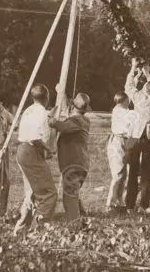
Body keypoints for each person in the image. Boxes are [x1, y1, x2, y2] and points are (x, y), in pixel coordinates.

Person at [124, 58, 150, 214]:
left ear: (143, 89)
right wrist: (149, 75)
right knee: (147, 171)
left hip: (136, 135)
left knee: (133, 170)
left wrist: (134, 68)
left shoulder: (138, 97)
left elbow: (128, 86)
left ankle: (129, 205)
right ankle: (144, 205)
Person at [14, 84, 56, 232]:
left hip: (23, 150)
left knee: (31, 192)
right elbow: (34, 137)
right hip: (31, 152)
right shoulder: (41, 113)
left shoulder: (29, 110)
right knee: (49, 193)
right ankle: (40, 227)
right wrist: (48, 148)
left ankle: (20, 229)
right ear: (47, 97)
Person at [50, 93, 91, 223]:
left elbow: (62, 126)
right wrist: (60, 92)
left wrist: (51, 120)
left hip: (73, 164)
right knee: (73, 192)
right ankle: (82, 217)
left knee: (69, 195)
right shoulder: (82, 120)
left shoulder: (76, 121)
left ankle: (74, 224)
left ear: (73, 108)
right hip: (80, 163)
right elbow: (68, 110)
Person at [106, 92, 132, 212]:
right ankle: (110, 204)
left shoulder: (120, 109)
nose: (129, 101)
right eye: (128, 100)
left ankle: (118, 201)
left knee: (122, 174)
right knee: (118, 174)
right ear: (123, 101)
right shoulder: (121, 111)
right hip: (118, 141)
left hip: (122, 140)